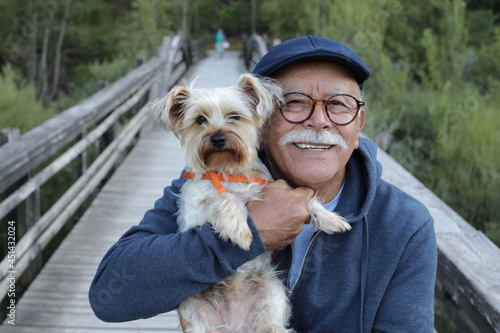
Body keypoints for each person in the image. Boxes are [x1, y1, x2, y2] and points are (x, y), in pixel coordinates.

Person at [89, 35, 437, 332]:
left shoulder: (404, 225)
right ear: (265, 122)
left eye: (338, 104)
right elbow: (111, 293)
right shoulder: (206, 182)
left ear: (358, 125)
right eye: (296, 103)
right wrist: (245, 237)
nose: (319, 121)